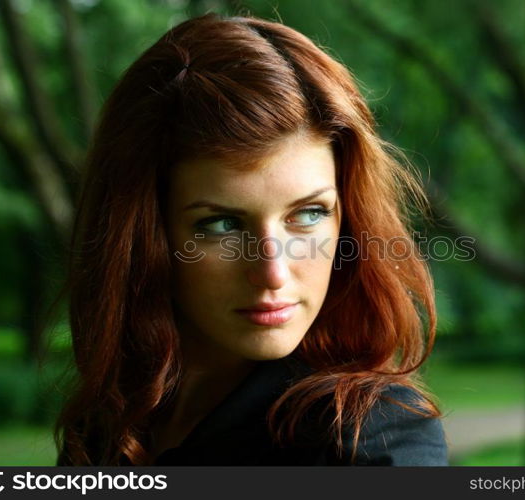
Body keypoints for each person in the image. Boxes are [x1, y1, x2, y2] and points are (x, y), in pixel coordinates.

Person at [54, 12, 448, 466]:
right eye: (222, 224)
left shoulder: (369, 437)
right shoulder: (109, 424)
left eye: (308, 214)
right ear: (146, 234)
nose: (272, 272)